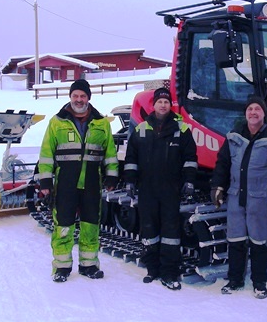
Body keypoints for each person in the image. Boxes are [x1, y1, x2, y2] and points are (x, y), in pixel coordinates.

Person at [210, 96, 267, 299]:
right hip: (235, 195)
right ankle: (235, 280)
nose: (253, 112)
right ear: (245, 113)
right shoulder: (234, 136)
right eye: (250, 109)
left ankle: (259, 282)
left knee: (259, 241)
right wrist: (218, 186)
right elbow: (222, 163)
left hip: (259, 197)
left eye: (257, 109)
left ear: (264, 113)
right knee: (235, 239)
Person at [38, 79, 119, 283]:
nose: (79, 99)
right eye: (75, 95)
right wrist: (46, 182)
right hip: (65, 183)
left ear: (88, 98)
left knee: (91, 225)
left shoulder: (101, 123)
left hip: (91, 183)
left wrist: (111, 175)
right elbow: (46, 153)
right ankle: (62, 267)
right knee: (63, 225)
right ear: (70, 97)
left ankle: (88, 265)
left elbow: (110, 153)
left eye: (83, 96)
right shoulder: (57, 122)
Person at [123, 87, 197, 291]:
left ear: (170, 105)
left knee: (171, 232)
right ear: (153, 105)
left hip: (171, 189)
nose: (163, 105)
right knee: (148, 230)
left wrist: (189, 180)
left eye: (166, 102)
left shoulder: (181, 129)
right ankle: (152, 268)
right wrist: (130, 181)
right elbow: (131, 158)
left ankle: (169, 272)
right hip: (147, 188)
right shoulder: (141, 129)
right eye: (159, 102)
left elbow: (190, 158)